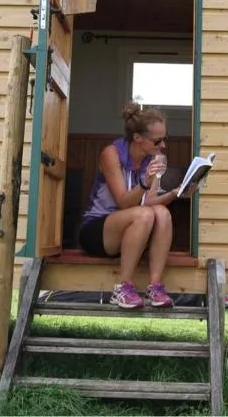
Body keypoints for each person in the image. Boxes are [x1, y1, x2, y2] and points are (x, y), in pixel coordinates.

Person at [78, 101, 191, 309]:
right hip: (97, 230)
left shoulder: (154, 159)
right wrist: (144, 183)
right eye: (158, 141)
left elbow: (150, 201)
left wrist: (177, 193)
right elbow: (123, 202)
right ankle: (123, 287)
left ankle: (155, 287)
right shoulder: (111, 154)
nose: (163, 146)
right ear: (138, 138)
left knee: (162, 213)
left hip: (133, 229)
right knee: (144, 215)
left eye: (165, 139)